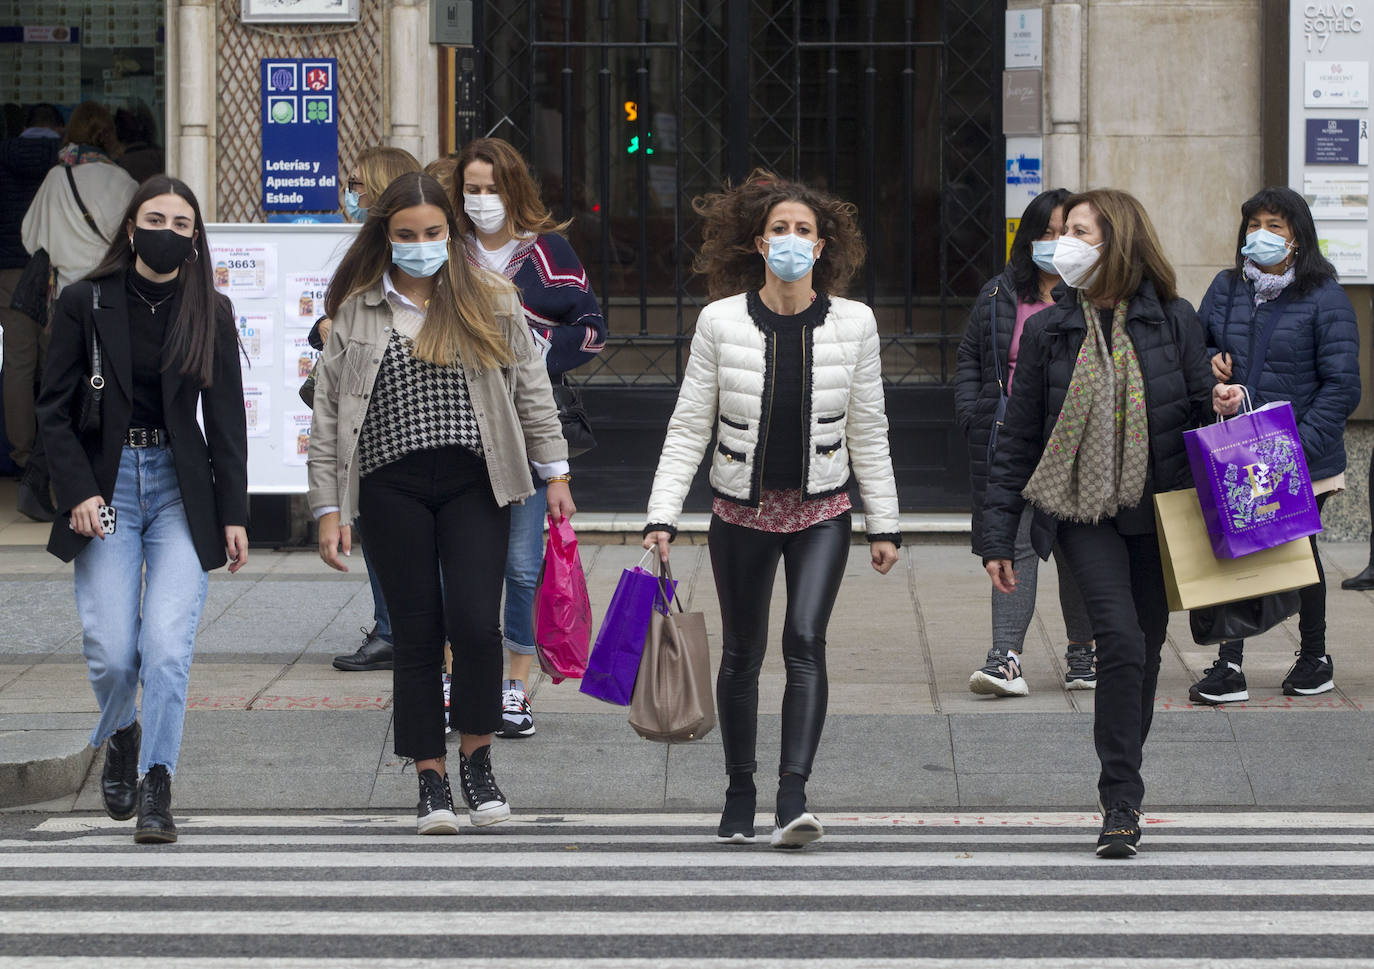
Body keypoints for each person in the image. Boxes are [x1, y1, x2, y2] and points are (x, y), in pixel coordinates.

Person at [643, 171, 901, 849]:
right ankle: (739, 789)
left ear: (823, 247)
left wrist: (885, 521)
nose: (792, 241)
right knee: (742, 653)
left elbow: (868, 429)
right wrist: (662, 515)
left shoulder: (856, 324)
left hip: (822, 511)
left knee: (806, 642)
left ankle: (793, 794)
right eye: (780, 229)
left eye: (804, 231)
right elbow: (687, 426)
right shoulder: (720, 321)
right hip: (742, 515)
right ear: (759, 242)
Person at [308, 172, 572, 835]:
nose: (421, 244)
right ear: (386, 237)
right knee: (418, 632)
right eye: (406, 235)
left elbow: (532, 391)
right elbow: (330, 419)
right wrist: (327, 511)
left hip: (475, 479)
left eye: (433, 233)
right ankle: (429, 777)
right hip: (390, 483)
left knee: (477, 624)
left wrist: (557, 471)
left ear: (450, 233)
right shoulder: (359, 310)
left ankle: (477, 759)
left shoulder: (491, 298)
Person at [980, 188, 1228, 858]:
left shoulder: (1173, 320)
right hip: (1079, 509)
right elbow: (1019, 437)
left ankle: (1122, 775)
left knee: (1143, 654)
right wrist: (997, 533)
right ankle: (1122, 797)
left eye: (1079, 231)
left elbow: (1200, 410)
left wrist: (1226, 399)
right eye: (1064, 232)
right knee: (1117, 638)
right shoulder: (1047, 329)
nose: (1064, 243)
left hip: (1159, 510)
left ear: (1115, 241)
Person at [35, 176, 249, 844]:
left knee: (164, 646)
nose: (167, 230)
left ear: (195, 237)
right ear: (130, 228)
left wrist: (234, 513)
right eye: (154, 218)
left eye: (182, 222)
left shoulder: (209, 310)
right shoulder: (83, 302)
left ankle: (158, 780)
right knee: (109, 652)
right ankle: (122, 730)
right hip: (106, 487)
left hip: (181, 491)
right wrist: (78, 492)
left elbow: (226, 420)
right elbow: (53, 410)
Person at [453, 136, 607, 738]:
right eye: (472, 189)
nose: (483, 200)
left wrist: (537, 355)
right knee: (455, 568)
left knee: (521, 566)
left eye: (493, 189)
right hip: (453, 430)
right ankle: (453, 679)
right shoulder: (440, 247)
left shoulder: (547, 253)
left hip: (526, 434)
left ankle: (514, 687)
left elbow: (591, 329)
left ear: (514, 191)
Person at [1189, 187, 1360, 704]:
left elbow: (1342, 386)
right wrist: (1209, 366)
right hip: (1238, 449)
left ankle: (1314, 657)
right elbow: (1195, 348)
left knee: (1297, 551)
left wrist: (1296, 448)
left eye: (1275, 226)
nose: (1259, 235)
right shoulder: (1225, 287)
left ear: (1298, 237)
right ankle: (1229, 664)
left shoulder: (1325, 296)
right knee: (1237, 548)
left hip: (1303, 453)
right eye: (1253, 225)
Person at [955, 187, 1096, 698]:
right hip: (1012, 439)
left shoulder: (1095, 297)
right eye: (1048, 231)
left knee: (1077, 545)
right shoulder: (1000, 294)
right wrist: (974, 412)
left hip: (1076, 443)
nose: (1057, 242)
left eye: (1070, 232)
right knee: (1015, 543)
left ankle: (1084, 650)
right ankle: (1005, 656)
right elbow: (972, 355)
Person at [318, 144, 421, 673]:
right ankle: (393, 628)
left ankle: (401, 630)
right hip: (363, 407)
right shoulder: (364, 248)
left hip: (403, 413)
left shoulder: (403, 251)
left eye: (358, 185)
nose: (349, 194)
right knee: (376, 526)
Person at [20, 101, 138, 522]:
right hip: (108, 302)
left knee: (64, 392)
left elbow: (30, 236)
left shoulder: (56, 177)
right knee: (100, 395)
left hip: (66, 301)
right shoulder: (122, 180)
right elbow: (132, 243)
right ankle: (80, 482)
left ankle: (41, 478)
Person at [0, 104, 63, 485]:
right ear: (57, 126)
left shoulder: (3, 155)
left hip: (9, 269)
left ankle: (23, 455)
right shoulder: (67, 160)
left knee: (19, 364)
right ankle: (55, 451)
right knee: (57, 360)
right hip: (54, 271)